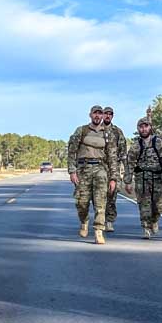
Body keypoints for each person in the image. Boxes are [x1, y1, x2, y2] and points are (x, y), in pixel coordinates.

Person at [66, 105, 118, 245]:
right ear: (90, 115)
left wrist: (113, 178)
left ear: (102, 116)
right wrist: (72, 170)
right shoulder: (81, 131)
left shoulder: (108, 134)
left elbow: (113, 157)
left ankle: (98, 231)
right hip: (83, 169)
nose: (98, 116)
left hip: (100, 169)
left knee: (100, 201)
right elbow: (72, 151)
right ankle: (84, 221)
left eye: (100, 114)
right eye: (95, 113)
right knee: (81, 202)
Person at [126, 117, 162, 239]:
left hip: (157, 178)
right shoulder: (135, 146)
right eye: (141, 127)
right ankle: (146, 227)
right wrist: (127, 181)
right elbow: (130, 164)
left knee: (158, 205)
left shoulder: (159, 143)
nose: (144, 129)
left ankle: (154, 220)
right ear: (138, 129)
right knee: (144, 204)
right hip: (141, 179)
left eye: (146, 126)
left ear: (150, 127)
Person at [102, 106, 128, 232]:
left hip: (114, 168)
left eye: (110, 114)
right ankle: (100, 219)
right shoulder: (96, 129)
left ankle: (109, 221)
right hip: (99, 167)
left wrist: (125, 170)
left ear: (112, 116)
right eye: (105, 114)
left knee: (112, 195)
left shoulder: (117, 131)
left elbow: (123, 151)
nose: (107, 116)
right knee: (99, 195)